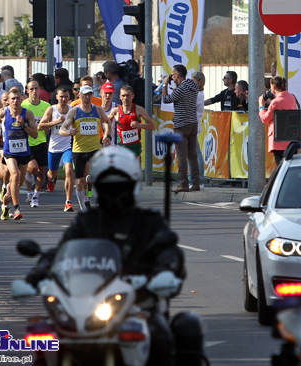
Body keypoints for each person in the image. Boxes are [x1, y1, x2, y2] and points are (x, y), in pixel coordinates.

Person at [25, 146, 186, 366]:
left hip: (139, 303)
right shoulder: (87, 221)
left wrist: (165, 270)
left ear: (132, 186)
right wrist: (40, 270)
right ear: (98, 187)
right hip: (88, 304)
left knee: (160, 338)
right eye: (108, 187)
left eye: (120, 187)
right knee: (47, 338)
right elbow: (61, 251)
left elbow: (169, 250)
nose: (114, 194)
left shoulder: (148, 221)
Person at [59, 85, 112, 211]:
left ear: (92, 95)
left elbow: (107, 122)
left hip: (95, 148)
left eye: (89, 94)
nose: (87, 97)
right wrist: (69, 132)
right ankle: (83, 207)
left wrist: (107, 135)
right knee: (79, 182)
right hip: (79, 150)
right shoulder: (74, 111)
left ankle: (96, 192)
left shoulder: (98, 110)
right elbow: (62, 129)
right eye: (84, 94)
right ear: (80, 95)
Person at [0, 87, 38, 220]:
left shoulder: (27, 114)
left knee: (19, 182)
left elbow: (34, 135)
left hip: (23, 151)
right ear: (9, 100)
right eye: (12, 99)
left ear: (22, 99)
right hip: (9, 151)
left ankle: (9, 189)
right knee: (15, 174)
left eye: (17, 98)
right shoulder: (3, 113)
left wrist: (24, 125)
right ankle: (17, 209)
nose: (15, 101)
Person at [161, 64, 200, 193]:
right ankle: (195, 183)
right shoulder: (193, 86)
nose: (171, 77)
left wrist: (165, 85)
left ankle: (183, 184)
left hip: (181, 125)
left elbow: (166, 99)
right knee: (192, 155)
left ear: (177, 75)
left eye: (172, 75)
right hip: (193, 123)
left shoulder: (180, 90)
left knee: (182, 156)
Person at [38, 86, 75, 212]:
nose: (63, 99)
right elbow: (40, 126)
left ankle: (68, 202)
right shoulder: (52, 109)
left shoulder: (72, 110)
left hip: (67, 146)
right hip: (54, 146)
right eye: (61, 96)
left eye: (66, 96)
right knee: (52, 173)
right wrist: (56, 122)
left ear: (69, 97)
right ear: (57, 97)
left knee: (69, 170)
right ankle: (51, 180)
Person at [21, 80, 51, 208]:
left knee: (42, 171)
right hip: (27, 142)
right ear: (27, 91)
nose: (34, 91)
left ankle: (34, 196)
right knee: (33, 168)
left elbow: (48, 126)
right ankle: (29, 184)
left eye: (36, 88)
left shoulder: (46, 105)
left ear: (40, 90)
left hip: (42, 141)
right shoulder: (23, 105)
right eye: (31, 89)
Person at [108, 85, 154, 160]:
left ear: (133, 96)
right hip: (121, 146)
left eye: (128, 95)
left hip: (135, 147)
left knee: (132, 170)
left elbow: (152, 126)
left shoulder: (139, 110)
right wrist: (108, 133)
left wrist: (139, 125)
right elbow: (107, 121)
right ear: (120, 96)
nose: (125, 98)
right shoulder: (115, 111)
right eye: (123, 95)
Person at [259, 76, 297, 165]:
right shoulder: (291, 97)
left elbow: (265, 118)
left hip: (278, 139)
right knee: (290, 166)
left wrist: (261, 107)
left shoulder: (275, 102)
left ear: (274, 86)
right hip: (290, 137)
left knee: (280, 167)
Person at [189, 71, 206, 189]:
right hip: (193, 123)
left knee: (195, 153)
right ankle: (196, 179)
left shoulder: (198, 94)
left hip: (194, 124)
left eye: (193, 80)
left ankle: (198, 180)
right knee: (193, 153)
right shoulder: (196, 93)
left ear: (199, 82)